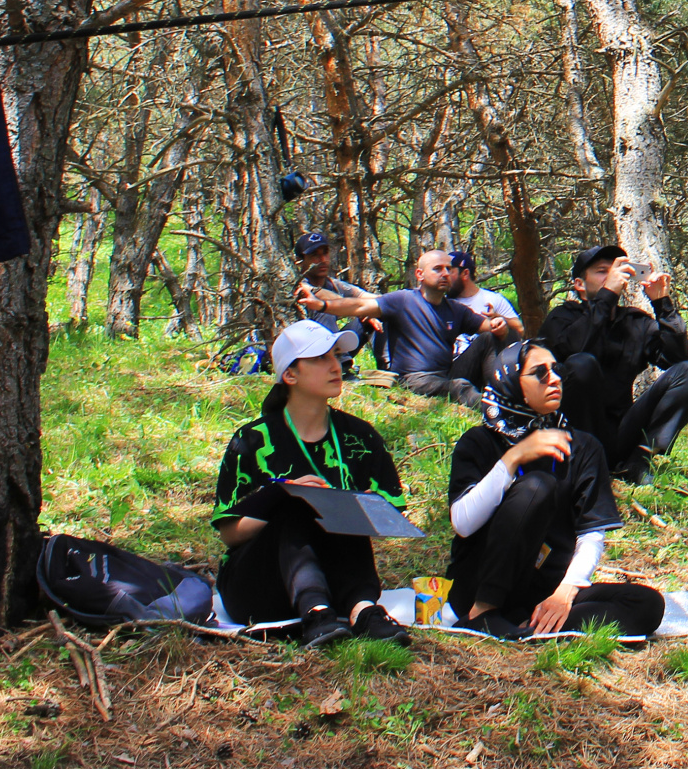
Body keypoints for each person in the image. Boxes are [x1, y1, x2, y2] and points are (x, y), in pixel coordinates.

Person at [444, 340, 667, 641]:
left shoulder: (583, 446)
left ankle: (531, 626)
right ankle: (483, 614)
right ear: (509, 381)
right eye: (539, 372)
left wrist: (566, 590)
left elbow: (591, 534)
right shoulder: (479, 442)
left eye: (557, 370)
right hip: (479, 584)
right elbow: (462, 522)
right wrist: (513, 458)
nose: (555, 379)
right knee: (537, 486)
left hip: (543, 586)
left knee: (647, 605)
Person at [210, 318, 412, 648]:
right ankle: (315, 611)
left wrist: (345, 505)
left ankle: (363, 611)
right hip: (256, 585)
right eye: (320, 358)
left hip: (337, 579)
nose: (336, 365)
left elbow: (390, 518)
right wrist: (281, 494)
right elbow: (230, 535)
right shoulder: (252, 440)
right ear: (290, 374)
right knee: (297, 503)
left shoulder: (359, 437)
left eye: (336, 356)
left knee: (344, 508)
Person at [540, 244, 688, 482]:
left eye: (617, 269)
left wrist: (662, 304)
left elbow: (678, 361)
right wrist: (607, 295)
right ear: (579, 284)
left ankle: (639, 459)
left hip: (620, 432)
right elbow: (575, 350)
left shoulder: (634, 322)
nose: (612, 275)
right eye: (601, 271)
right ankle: (583, 463)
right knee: (582, 364)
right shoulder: (561, 318)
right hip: (574, 433)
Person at [302, 248, 513, 407]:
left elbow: (492, 328)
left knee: (487, 339)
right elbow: (359, 305)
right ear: (420, 275)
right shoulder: (402, 301)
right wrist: (322, 305)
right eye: (438, 269)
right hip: (414, 379)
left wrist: (499, 325)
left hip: (446, 374)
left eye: (449, 269)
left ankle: (504, 395)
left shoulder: (456, 310)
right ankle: (494, 410)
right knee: (459, 386)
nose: (445, 274)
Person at [296, 229, 373, 369]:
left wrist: (375, 309)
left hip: (333, 347)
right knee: (323, 308)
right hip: (304, 352)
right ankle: (341, 366)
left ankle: (389, 366)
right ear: (300, 260)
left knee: (374, 316)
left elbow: (370, 298)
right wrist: (358, 309)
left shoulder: (334, 285)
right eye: (315, 255)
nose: (323, 260)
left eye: (325, 253)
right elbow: (319, 295)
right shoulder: (299, 284)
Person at [449, 250, 521, 328]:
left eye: (449, 271)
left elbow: (520, 329)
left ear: (465, 273)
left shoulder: (493, 299)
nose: (445, 275)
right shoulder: (443, 304)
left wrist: (497, 317)